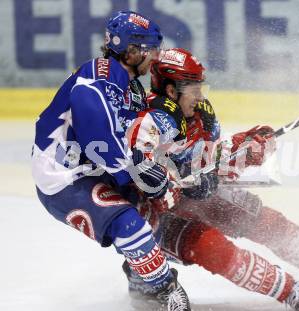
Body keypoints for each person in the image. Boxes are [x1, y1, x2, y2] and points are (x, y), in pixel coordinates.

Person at [126, 48, 299, 311]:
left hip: (191, 198)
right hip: (154, 219)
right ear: (170, 90)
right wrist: (184, 183)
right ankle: (291, 291)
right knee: (212, 247)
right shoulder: (146, 121)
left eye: (201, 87)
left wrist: (248, 146)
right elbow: (141, 182)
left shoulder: (202, 113)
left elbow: (212, 160)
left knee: (261, 219)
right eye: (193, 88)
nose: (200, 96)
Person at [31, 12, 191, 311]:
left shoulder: (130, 88)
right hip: (63, 175)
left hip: (94, 169)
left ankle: (142, 293)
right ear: (131, 51)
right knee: (129, 224)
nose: (155, 57)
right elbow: (97, 137)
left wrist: (169, 166)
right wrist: (137, 173)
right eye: (150, 50)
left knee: (150, 214)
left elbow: (135, 140)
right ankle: (166, 292)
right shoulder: (98, 75)